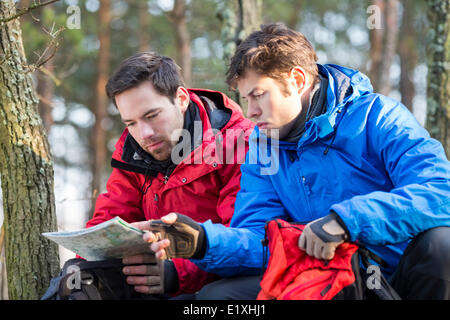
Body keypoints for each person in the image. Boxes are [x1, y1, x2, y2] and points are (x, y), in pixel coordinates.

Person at [143, 23, 450, 300]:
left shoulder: (378, 116)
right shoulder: (261, 149)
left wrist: (346, 221)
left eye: (258, 95)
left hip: (400, 274)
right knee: (218, 298)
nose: (250, 112)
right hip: (327, 279)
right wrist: (204, 242)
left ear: (297, 80)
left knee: (441, 245)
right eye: (245, 99)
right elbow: (262, 240)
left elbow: (439, 192)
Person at [84, 51, 254, 298]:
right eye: (130, 123)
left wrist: (176, 272)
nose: (144, 134)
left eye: (152, 116)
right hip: (151, 280)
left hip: (213, 283)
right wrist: (85, 263)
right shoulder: (132, 152)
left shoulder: (239, 145)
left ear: (181, 98)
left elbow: (246, 241)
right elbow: (110, 221)